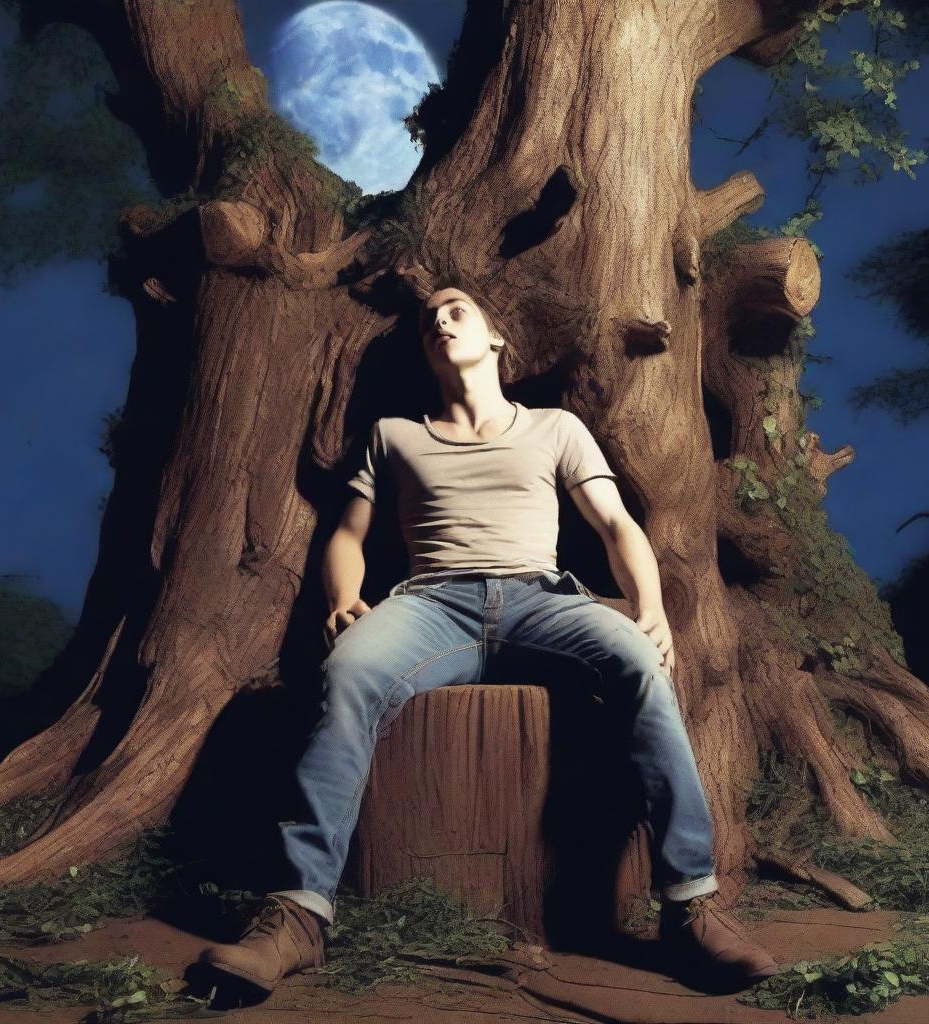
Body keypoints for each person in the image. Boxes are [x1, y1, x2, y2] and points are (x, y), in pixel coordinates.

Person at [199, 281, 779, 993]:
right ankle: (297, 914)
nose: (441, 322)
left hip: (543, 599)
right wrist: (345, 597)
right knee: (348, 671)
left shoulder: (554, 428)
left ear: (496, 341)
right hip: (431, 605)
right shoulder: (395, 435)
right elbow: (347, 532)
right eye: (429, 321)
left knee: (637, 658)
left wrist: (648, 605)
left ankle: (690, 905)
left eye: (457, 311)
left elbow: (616, 524)